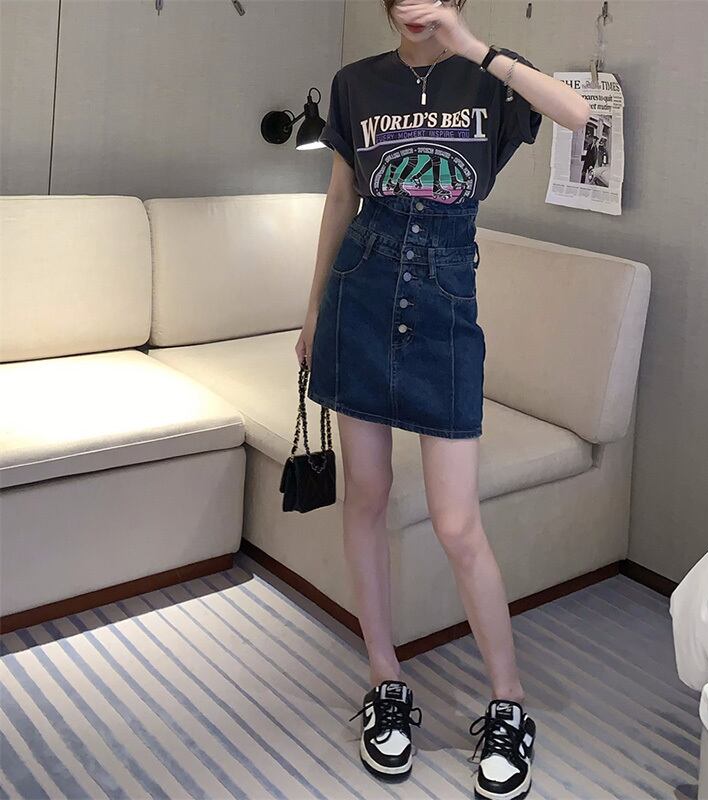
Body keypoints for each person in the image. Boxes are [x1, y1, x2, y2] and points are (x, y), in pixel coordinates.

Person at [296, 1, 590, 797]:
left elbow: (578, 115)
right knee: (365, 497)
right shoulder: (357, 82)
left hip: (446, 301)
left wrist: (474, 47)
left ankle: (509, 702)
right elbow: (340, 198)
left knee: (458, 523)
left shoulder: (490, 75)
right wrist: (314, 310)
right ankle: (385, 679)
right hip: (361, 292)